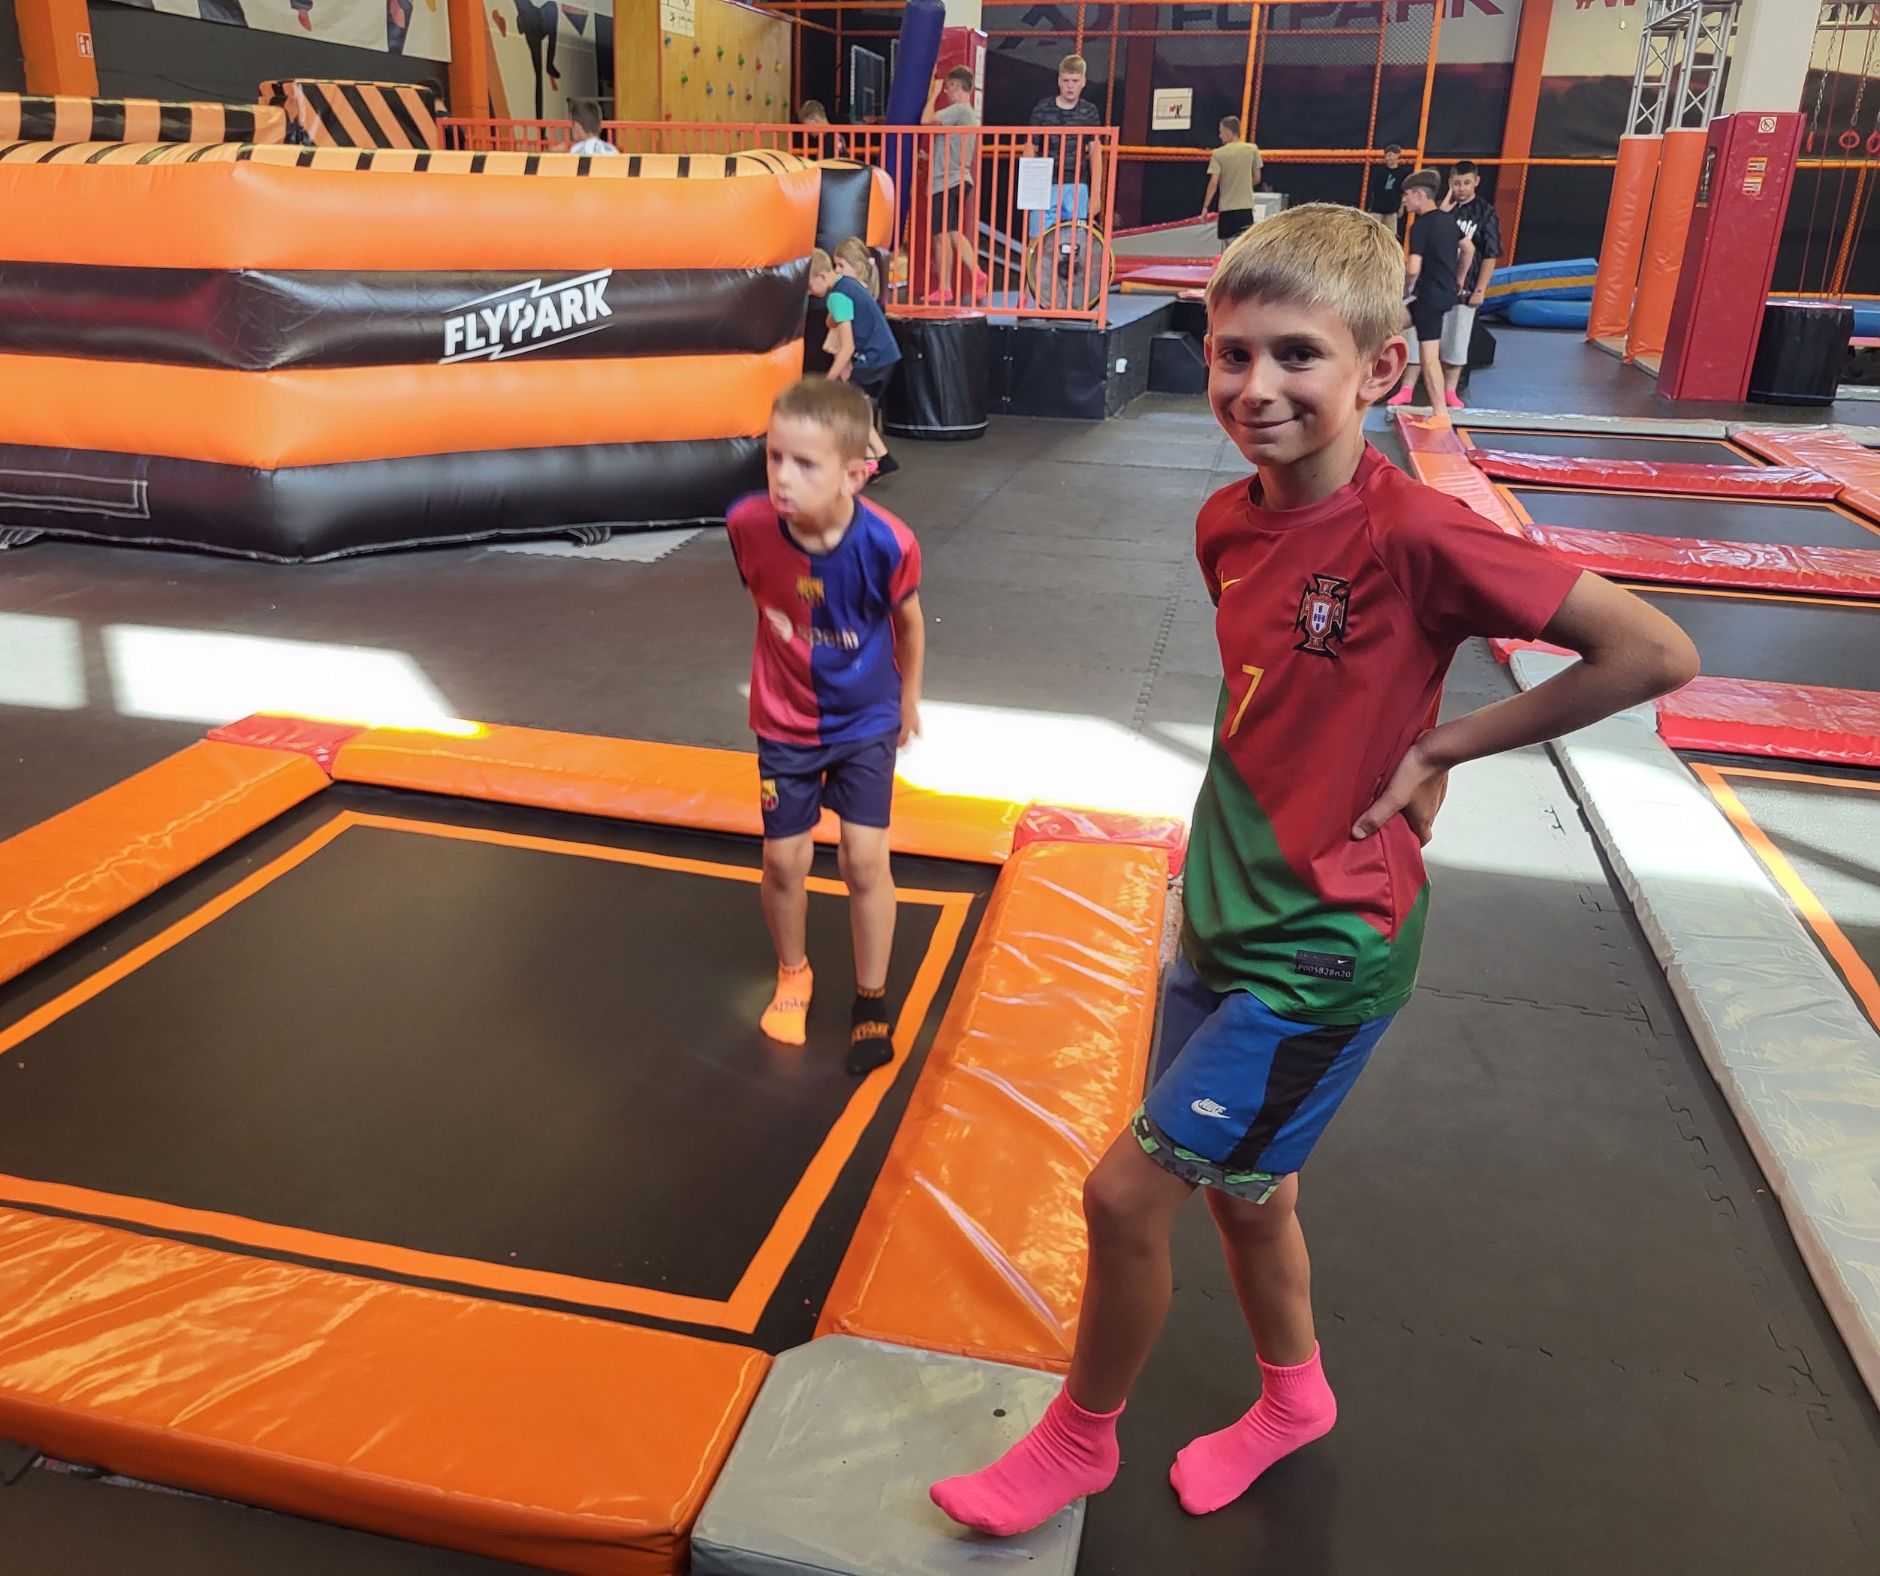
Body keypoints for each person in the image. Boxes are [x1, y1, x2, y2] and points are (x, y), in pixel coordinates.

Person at [929, 199, 1698, 1539]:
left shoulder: (1414, 533)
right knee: (1246, 1191)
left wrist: (1444, 741)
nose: (1256, 386)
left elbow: (1651, 651)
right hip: (1225, 914)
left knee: (1123, 1196)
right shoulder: (1225, 525)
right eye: (1233, 354)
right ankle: (1295, 1399)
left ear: (1379, 369)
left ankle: (1078, 1441)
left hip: (1327, 948)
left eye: (1297, 355)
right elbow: (1276, 709)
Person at [724, 377, 926, 1076]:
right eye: (775, 457)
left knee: (865, 860)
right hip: (784, 719)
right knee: (784, 860)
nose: (782, 477)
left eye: (805, 464)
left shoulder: (888, 543)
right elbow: (766, 596)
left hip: (865, 717)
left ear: (854, 473)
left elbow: (909, 623)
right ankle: (793, 972)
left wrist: (908, 700)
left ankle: (872, 996)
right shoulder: (746, 525)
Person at [808, 242, 902, 478]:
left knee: (850, 408)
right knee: (856, 406)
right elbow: (835, 321)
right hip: (885, 354)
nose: (809, 292)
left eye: (809, 286)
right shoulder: (848, 284)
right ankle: (875, 457)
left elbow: (847, 346)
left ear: (821, 276)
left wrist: (828, 380)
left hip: (874, 357)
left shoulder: (837, 297)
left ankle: (879, 456)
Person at [1386, 170, 1471, 412]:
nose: (1404, 200)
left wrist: (1404, 290)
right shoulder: (1448, 221)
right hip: (1439, 295)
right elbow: (1469, 248)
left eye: (1407, 195)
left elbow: (1413, 268)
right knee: (1385, 326)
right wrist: (1460, 278)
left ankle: (1440, 412)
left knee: (1429, 356)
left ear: (1420, 195)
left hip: (1429, 299)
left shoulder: (1420, 226)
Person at [1439, 159, 1503, 403]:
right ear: (1450, 183)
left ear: (1476, 181)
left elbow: (1491, 254)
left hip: (1466, 287)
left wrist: (1480, 289)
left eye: (1466, 183)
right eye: (1457, 183)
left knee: (1459, 337)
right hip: (1440, 283)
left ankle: (1455, 386)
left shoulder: (1486, 213)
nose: (1461, 188)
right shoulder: (1445, 210)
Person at [921, 65, 985, 303]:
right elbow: (953, 148)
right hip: (956, 178)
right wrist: (929, 157)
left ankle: (946, 286)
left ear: (958, 87)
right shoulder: (968, 114)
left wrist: (934, 93)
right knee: (953, 232)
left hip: (948, 181)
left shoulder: (959, 109)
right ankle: (974, 273)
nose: (947, 93)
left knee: (942, 235)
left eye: (950, 88)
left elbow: (926, 120)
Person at [1028, 54, 1103, 225]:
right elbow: (1031, 147)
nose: (1070, 86)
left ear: (1083, 82)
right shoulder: (1043, 108)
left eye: (1075, 81)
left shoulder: (1090, 111)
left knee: (1075, 237)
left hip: (1077, 183)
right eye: (1066, 80)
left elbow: (1095, 151)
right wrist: (1030, 188)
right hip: (1045, 183)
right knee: (1038, 234)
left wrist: (1096, 194)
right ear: (1059, 81)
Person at [1202, 115, 1262, 247]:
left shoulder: (1218, 154)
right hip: (1245, 207)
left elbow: (1213, 183)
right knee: (1243, 246)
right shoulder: (1252, 149)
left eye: (1221, 132)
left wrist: (1206, 206)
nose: (1220, 136)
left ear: (1228, 131)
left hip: (1226, 208)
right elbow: (1257, 178)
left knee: (1229, 246)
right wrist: (1244, 186)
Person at [1367, 142, 1407, 236]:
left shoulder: (1402, 173)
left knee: (1390, 235)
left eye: (1390, 155)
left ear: (1397, 155)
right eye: (1386, 156)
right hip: (1377, 209)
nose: (1387, 158)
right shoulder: (1380, 172)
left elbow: (1403, 192)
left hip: (1392, 210)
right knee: (1372, 233)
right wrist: (1370, 206)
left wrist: (1401, 207)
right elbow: (1373, 190)